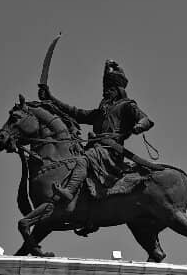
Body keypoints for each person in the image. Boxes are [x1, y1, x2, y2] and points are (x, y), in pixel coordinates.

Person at [39, 58, 154, 217]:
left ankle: (69, 192)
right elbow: (75, 112)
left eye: (109, 89)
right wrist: (50, 98)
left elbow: (145, 119)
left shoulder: (126, 105)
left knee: (83, 160)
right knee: (73, 161)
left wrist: (139, 126)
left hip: (110, 151)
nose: (105, 92)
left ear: (117, 90)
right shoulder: (100, 113)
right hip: (94, 148)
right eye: (105, 89)